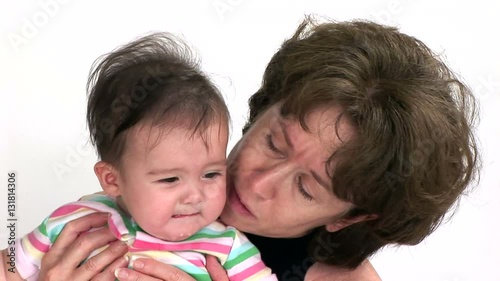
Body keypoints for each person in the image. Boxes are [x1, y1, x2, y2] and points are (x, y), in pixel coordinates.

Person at [13, 16, 479, 281]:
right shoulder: (154, 182)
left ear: (350, 216)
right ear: (260, 109)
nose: (254, 183)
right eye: (275, 142)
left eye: (306, 188)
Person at [1, 33, 277, 281]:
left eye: (211, 174)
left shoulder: (227, 246)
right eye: (170, 179)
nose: (195, 196)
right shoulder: (76, 222)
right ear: (112, 179)